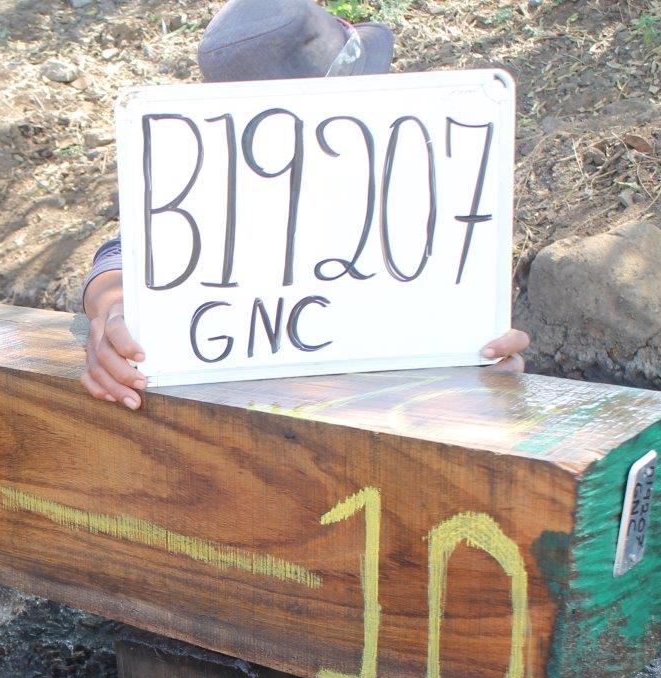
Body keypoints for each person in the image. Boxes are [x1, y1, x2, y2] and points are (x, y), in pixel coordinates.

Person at [79, 0, 530, 410]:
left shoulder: (421, 173)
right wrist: (114, 314)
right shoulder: (219, 192)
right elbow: (122, 254)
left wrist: (478, 360)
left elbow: (449, 319)